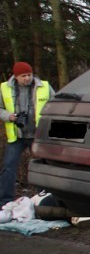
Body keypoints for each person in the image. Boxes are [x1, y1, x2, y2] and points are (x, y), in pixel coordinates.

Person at [1, 62, 55, 206]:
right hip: (16, 136)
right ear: (16, 76)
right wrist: (9, 116)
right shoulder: (4, 88)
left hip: (38, 135)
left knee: (42, 166)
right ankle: (5, 201)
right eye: (23, 76)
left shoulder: (44, 86)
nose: (27, 78)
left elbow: (55, 104)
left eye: (29, 75)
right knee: (8, 167)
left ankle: (44, 198)